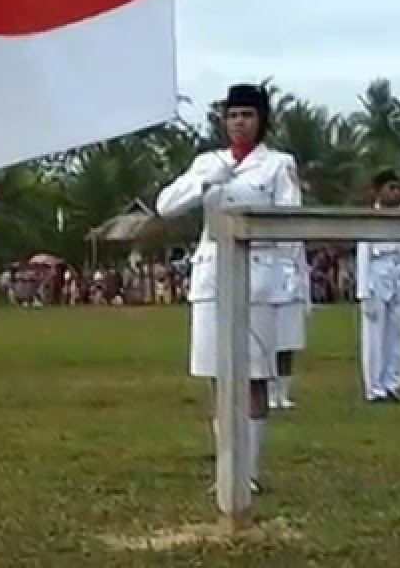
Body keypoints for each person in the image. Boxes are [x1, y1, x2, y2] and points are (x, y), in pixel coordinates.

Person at [155, 83, 301, 495]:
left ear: (261, 120)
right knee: (218, 376)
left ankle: (248, 472)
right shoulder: (207, 163)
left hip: (258, 276)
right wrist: (204, 183)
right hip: (212, 275)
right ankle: (226, 468)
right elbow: (166, 206)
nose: (239, 123)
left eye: (247, 115)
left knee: (253, 376)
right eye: (233, 115)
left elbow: (290, 221)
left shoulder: (278, 164)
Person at [356, 169, 400, 403]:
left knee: (396, 334)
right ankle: (374, 387)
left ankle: (393, 383)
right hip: (376, 275)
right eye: (390, 188)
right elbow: (363, 255)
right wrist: (364, 291)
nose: (395, 193)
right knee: (374, 335)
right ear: (378, 192)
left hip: (398, 274)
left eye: (398, 188)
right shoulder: (369, 219)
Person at [271, 233, 309, 410]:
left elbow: (302, 266)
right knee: (271, 345)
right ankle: (270, 393)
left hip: (293, 292)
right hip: (271, 288)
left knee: (288, 344)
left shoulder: (296, 237)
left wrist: (306, 298)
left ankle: (283, 393)